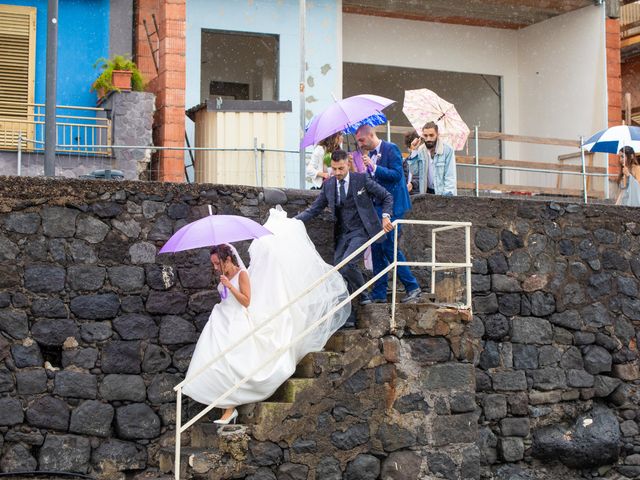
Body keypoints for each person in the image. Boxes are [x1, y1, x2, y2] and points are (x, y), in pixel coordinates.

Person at [182, 211, 351, 424]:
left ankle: (229, 407)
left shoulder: (243, 274)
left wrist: (228, 287)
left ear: (228, 259)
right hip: (222, 320)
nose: (216, 267)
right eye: (214, 264)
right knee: (217, 361)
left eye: (218, 263)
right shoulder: (225, 276)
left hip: (237, 319)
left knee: (233, 360)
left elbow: (246, 300)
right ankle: (226, 405)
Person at [296, 149, 394, 326]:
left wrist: (386, 216)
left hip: (361, 230)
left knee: (348, 263)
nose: (338, 173)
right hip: (342, 234)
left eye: (341, 168)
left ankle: (363, 293)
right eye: (334, 169)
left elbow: (386, 196)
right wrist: (293, 222)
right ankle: (348, 318)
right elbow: (314, 209)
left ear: (348, 164)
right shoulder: (329, 185)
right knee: (339, 273)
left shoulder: (361, 180)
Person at [355, 125, 422, 304]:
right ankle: (379, 292)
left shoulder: (390, 148)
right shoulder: (369, 156)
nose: (360, 144)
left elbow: (397, 175)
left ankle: (412, 287)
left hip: (395, 206)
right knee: (377, 247)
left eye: (361, 140)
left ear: (370, 135)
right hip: (378, 206)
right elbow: (373, 182)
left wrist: (374, 167)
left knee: (389, 247)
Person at [407, 122, 457, 196]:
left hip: (443, 193)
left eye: (431, 135)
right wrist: (414, 151)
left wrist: (447, 198)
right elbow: (414, 171)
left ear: (437, 134)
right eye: (425, 135)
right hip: (426, 193)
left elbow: (450, 177)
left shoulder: (447, 150)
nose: (428, 139)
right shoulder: (420, 150)